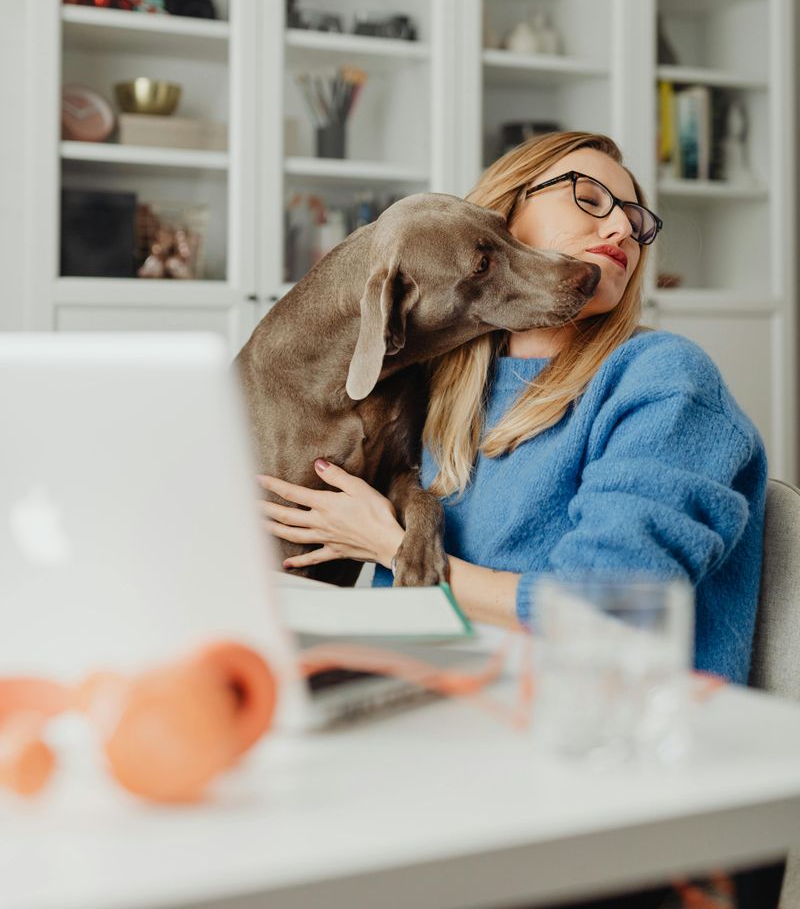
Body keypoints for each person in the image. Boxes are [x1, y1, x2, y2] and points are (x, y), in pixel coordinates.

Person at [259, 131, 780, 909]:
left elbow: (613, 601)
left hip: (629, 807)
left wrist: (396, 546)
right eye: (589, 197)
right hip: (452, 766)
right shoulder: (442, 394)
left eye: (636, 221)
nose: (620, 230)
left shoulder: (664, 379)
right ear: (499, 215)